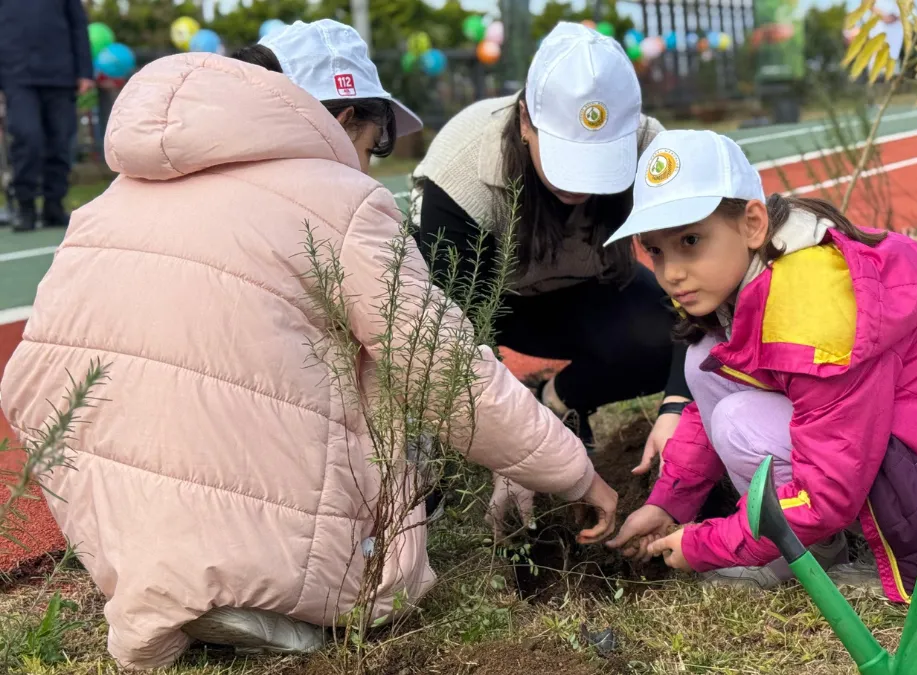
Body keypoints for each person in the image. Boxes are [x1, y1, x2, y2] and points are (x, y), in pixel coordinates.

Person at [0, 20, 617, 670]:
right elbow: (445, 370)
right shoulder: (340, 202)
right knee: (380, 365)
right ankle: (276, 585)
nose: (368, 164)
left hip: (102, 513)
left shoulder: (116, 194)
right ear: (347, 118)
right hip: (269, 551)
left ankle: (172, 572)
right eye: (375, 146)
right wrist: (569, 470)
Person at [604, 129, 917, 602]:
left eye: (691, 241)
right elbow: (709, 395)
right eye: (655, 250)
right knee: (703, 362)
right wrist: (669, 504)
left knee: (738, 422)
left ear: (753, 223)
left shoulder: (812, 308)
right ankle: (801, 540)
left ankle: (815, 550)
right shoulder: (760, 273)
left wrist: (707, 544)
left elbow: (829, 490)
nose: (671, 272)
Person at [408, 22, 692, 525]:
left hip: (589, 288)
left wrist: (676, 409)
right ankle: (446, 458)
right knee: (444, 376)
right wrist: (514, 452)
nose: (582, 185)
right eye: (567, 158)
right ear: (525, 121)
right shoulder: (461, 171)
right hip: (500, 305)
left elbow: (700, 294)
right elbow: (456, 336)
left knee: (669, 337)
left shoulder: (652, 147)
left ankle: (560, 400)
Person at [0, 0, 94, 231]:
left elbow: (78, 25)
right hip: (17, 76)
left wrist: (84, 71)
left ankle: (54, 205)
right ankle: (25, 205)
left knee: (60, 142)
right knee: (27, 137)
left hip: (61, 75)